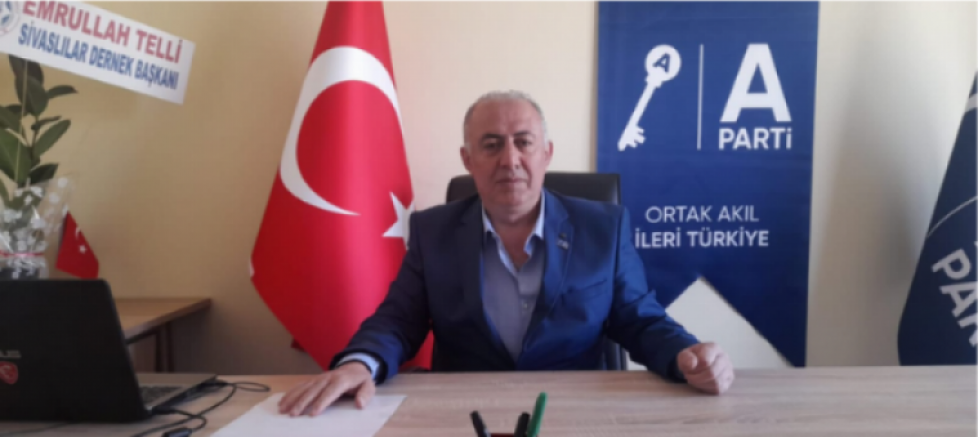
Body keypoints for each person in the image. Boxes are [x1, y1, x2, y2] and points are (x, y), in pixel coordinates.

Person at [278, 90, 735, 417]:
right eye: (492, 144)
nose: (510, 159)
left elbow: (640, 319)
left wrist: (687, 355)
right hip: (467, 414)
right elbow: (398, 320)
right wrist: (361, 363)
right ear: (468, 159)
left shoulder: (604, 228)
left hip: (573, 412)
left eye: (523, 142)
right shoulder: (432, 231)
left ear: (546, 154)